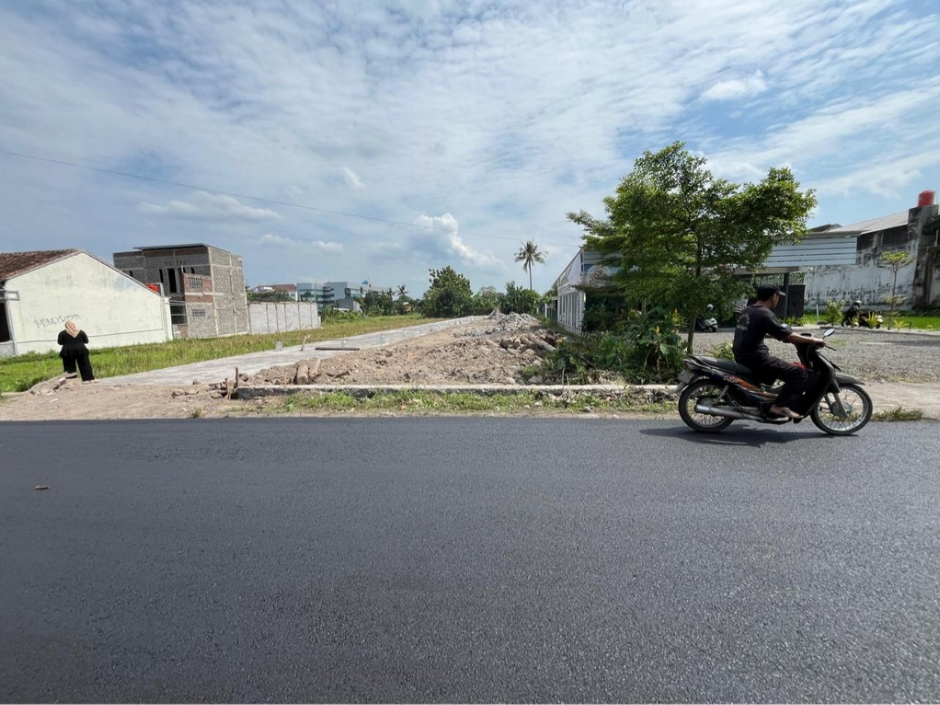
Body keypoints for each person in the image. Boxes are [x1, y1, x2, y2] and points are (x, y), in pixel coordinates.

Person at [733, 284, 825, 420]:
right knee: (798, 373)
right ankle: (778, 406)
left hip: (743, 356)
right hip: (757, 359)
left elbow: (758, 330)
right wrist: (812, 339)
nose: (778, 299)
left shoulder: (748, 311)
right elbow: (788, 335)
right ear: (773, 297)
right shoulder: (765, 313)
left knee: (778, 370)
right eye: (778, 296)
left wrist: (777, 335)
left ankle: (767, 399)